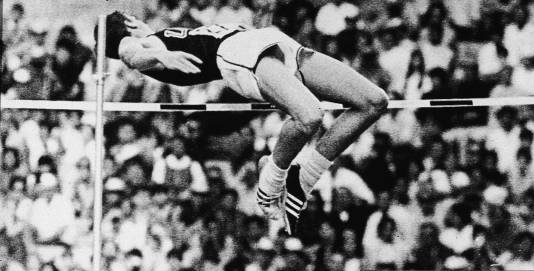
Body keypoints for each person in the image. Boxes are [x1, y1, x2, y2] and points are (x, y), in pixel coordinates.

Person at [96, 11, 389, 235]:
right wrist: (159, 54)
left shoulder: (162, 35)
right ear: (130, 24)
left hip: (266, 41)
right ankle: (270, 183)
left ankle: (301, 179)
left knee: (373, 102)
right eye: (134, 18)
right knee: (310, 116)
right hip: (239, 55)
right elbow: (129, 54)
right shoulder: (142, 42)